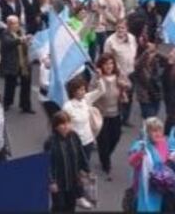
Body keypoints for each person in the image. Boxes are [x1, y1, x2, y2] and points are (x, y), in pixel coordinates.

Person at [127, 116, 175, 213]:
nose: (158, 133)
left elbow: (167, 159)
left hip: (162, 185)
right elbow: (132, 162)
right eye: (154, 131)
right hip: (146, 187)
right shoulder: (140, 145)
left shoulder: (163, 142)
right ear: (148, 133)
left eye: (160, 130)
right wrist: (140, 154)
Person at [94, 53, 131, 181]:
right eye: (106, 64)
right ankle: (106, 164)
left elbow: (128, 85)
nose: (109, 66)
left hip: (115, 113)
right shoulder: (97, 77)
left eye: (111, 63)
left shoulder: (118, 76)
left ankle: (105, 155)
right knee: (103, 140)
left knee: (115, 136)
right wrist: (98, 80)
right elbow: (90, 92)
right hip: (101, 114)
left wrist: (124, 86)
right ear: (101, 65)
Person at [47, 111, 92, 212]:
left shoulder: (74, 136)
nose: (66, 126)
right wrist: (51, 182)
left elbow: (81, 154)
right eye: (62, 124)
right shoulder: (50, 142)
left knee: (71, 205)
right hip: (59, 181)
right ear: (56, 126)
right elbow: (47, 164)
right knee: (59, 206)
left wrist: (87, 171)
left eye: (68, 123)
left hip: (73, 179)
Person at [62, 75, 104, 167]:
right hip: (75, 142)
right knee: (74, 166)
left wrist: (99, 78)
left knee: (85, 165)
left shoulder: (86, 99)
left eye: (84, 89)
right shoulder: (67, 107)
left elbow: (101, 90)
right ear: (73, 91)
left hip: (88, 140)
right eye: (80, 90)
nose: (83, 92)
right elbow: (64, 125)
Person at [0, 16, 34, 113]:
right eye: (15, 23)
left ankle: (25, 105)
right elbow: (9, 43)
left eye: (17, 23)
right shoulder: (5, 34)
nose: (17, 25)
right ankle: (7, 103)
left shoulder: (21, 32)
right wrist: (21, 40)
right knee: (10, 85)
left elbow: (25, 45)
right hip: (12, 64)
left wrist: (28, 41)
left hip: (24, 63)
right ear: (9, 25)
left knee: (26, 85)